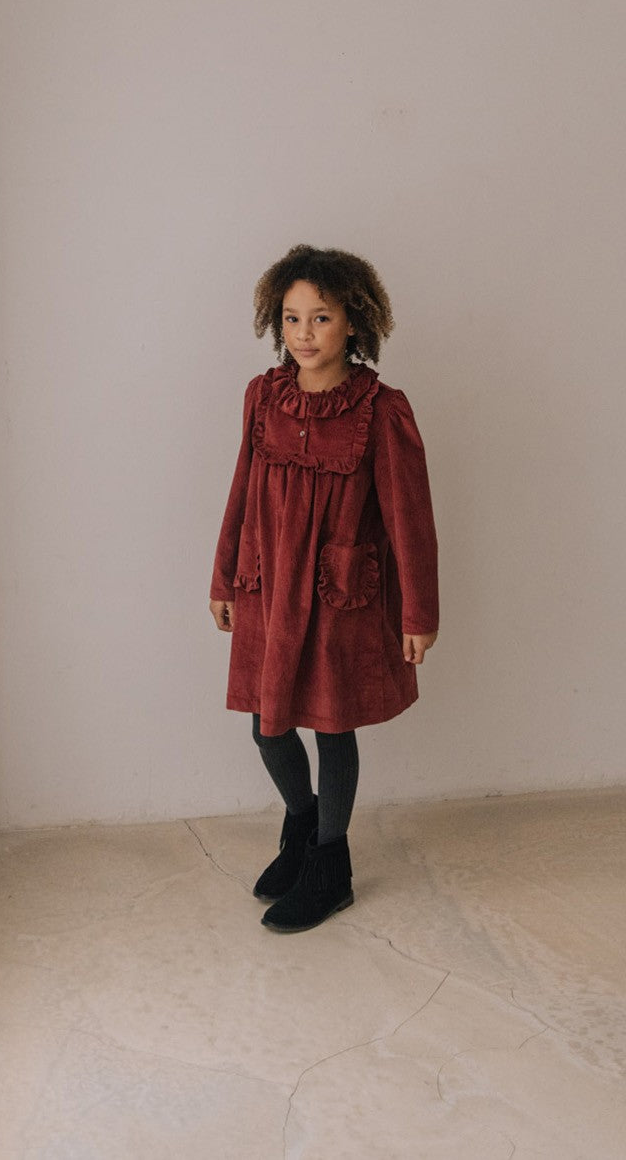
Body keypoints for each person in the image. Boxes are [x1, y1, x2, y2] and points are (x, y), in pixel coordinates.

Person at [209, 244, 438, 933]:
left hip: (340, 598)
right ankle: (303, 827)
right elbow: (241, 489)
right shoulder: (263, 397)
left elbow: (409, 518)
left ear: (353, 322)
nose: (304, 334)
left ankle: (331, 866)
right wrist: (224, 575)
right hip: (266, 586)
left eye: (321, 317)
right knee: (268, 726)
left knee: (333, 728)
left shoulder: (381, 410)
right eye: (291, 318)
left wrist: (420, 611)